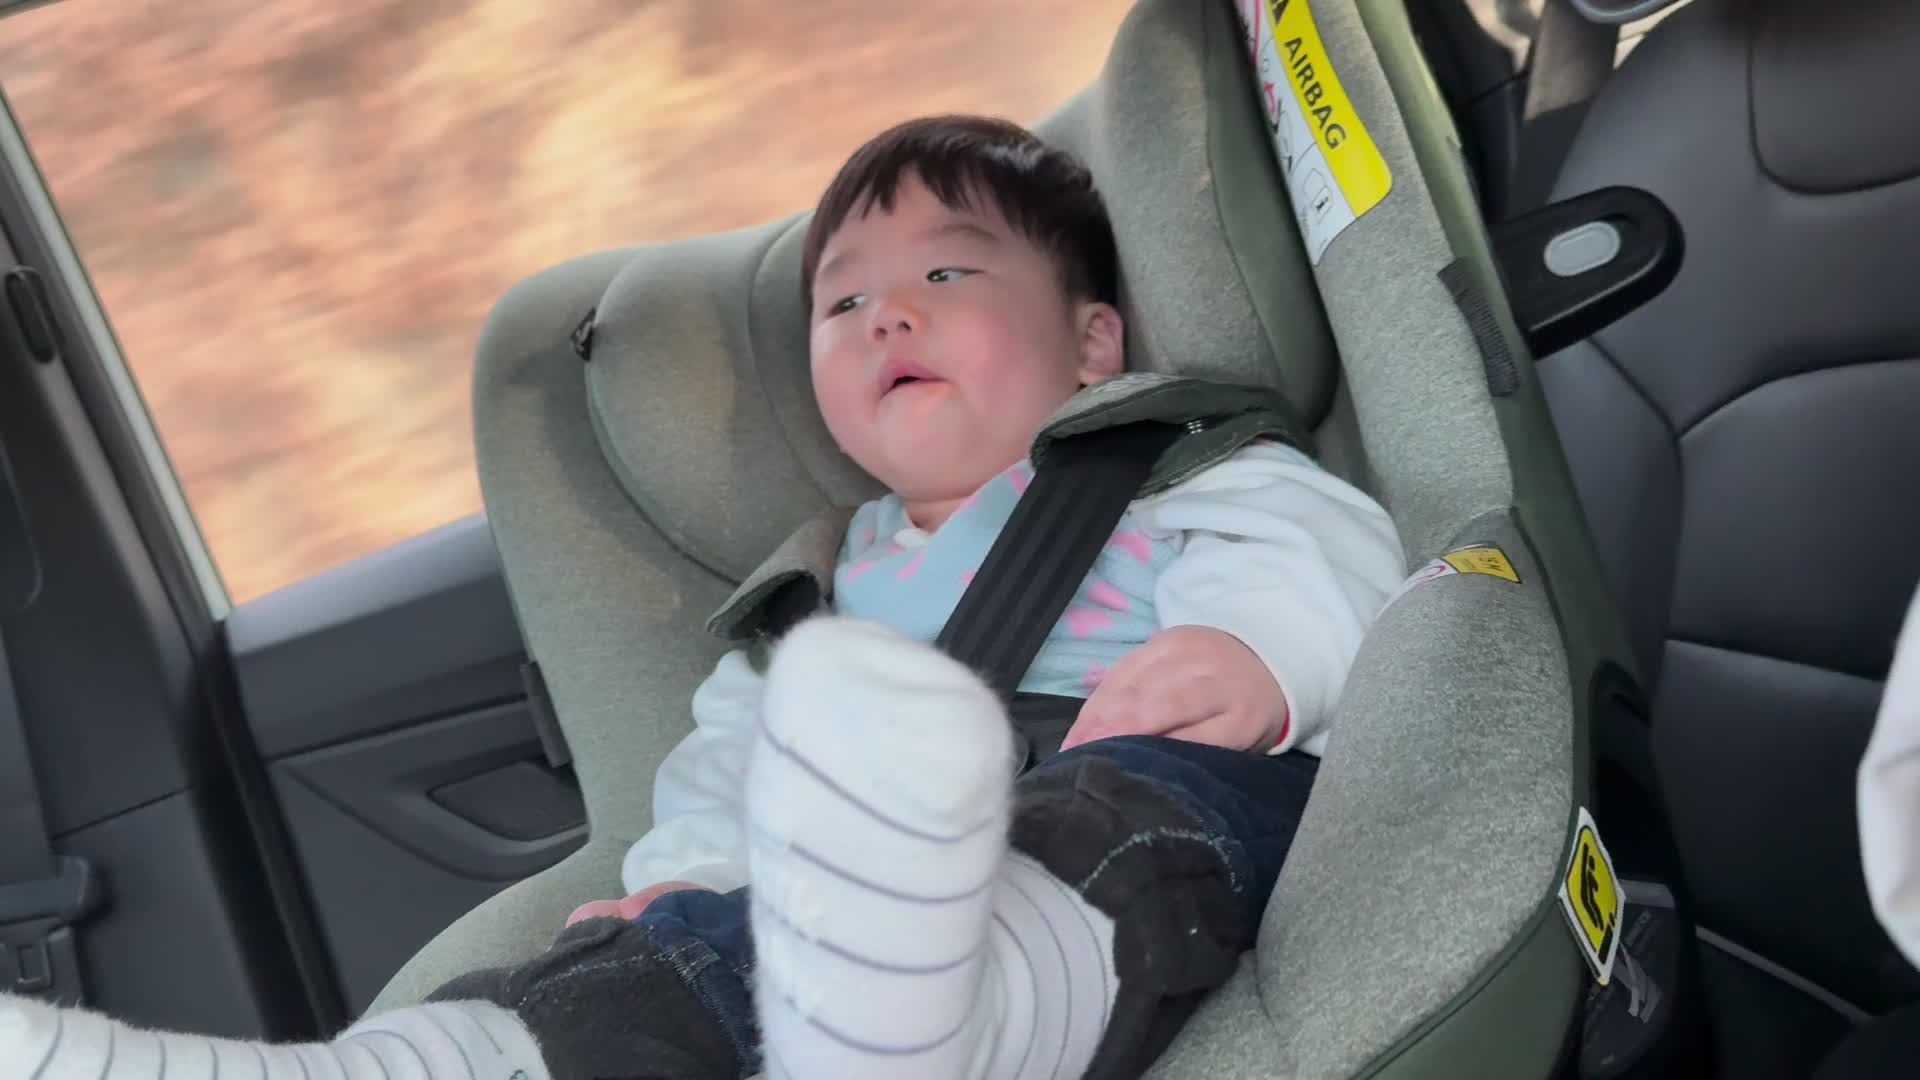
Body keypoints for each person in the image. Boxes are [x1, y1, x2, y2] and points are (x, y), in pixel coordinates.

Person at [1, 115, 1405, 1080]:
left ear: (1094, 341)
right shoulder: (810, 606)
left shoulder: (1167, 470)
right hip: (845, 898)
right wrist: (673, 886)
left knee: (1099, 830)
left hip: (1149, 796)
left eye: (947, 271)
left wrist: (1250, 651)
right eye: (843, 303)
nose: (888, 312)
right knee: (647, 969)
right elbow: (727, 784)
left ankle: (900, 1027)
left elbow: (1322, 551)